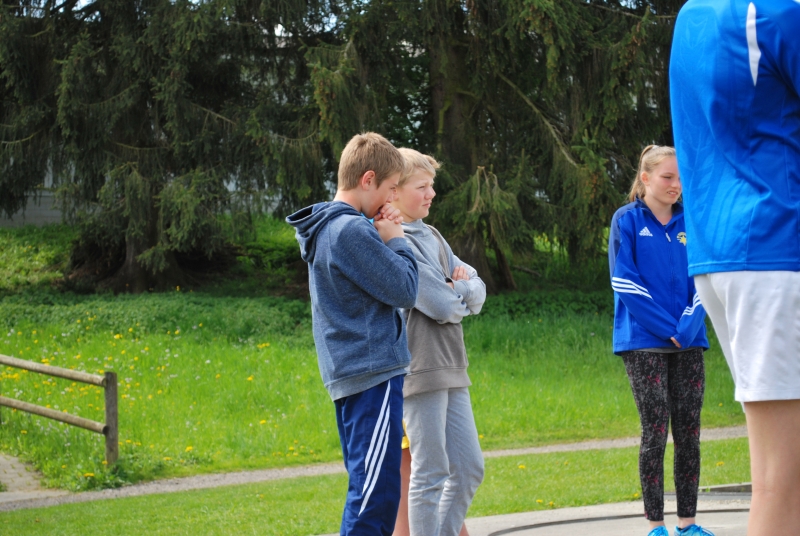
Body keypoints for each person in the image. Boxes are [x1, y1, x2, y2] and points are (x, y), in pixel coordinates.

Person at [669, 3, 800, 535]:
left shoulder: (691, 15)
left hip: (723, 251)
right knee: (782, 483)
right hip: (776, 245)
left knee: (780, 478)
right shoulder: (778, 12)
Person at [285, 132, 419, 535]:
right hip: (372, 373)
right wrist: (397, 240)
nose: (393, 198)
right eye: (391, 188)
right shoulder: (349, 231)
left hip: (354, 373)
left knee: (370, 488)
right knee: (375, 497)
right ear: (368, 179)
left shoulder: (330, 228)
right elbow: (405, 289)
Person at [608, 145, 713, 536]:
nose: (676, 185)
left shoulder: (692, 221)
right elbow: (624, 281)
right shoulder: (627, 220)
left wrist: (687, 324)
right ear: (646, 177)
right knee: (655, 431)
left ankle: (689, 524)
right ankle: (656, 525)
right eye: (668, 177)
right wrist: (666, 325)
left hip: (690, 340)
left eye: (680, 178)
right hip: (644, 342)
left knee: (689, 433)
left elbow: (704, 276)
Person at [391, 148, 485, 536]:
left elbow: (477, 291)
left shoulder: (431, 235)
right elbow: (441, 305)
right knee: (430, 473)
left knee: (469, 468)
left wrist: (457, 287)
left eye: (432, 185)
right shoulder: (394, 239)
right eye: (422, 186)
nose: (431, 194)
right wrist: (457, 290)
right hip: (421, 369)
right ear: (394, 190)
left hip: (452, 366)